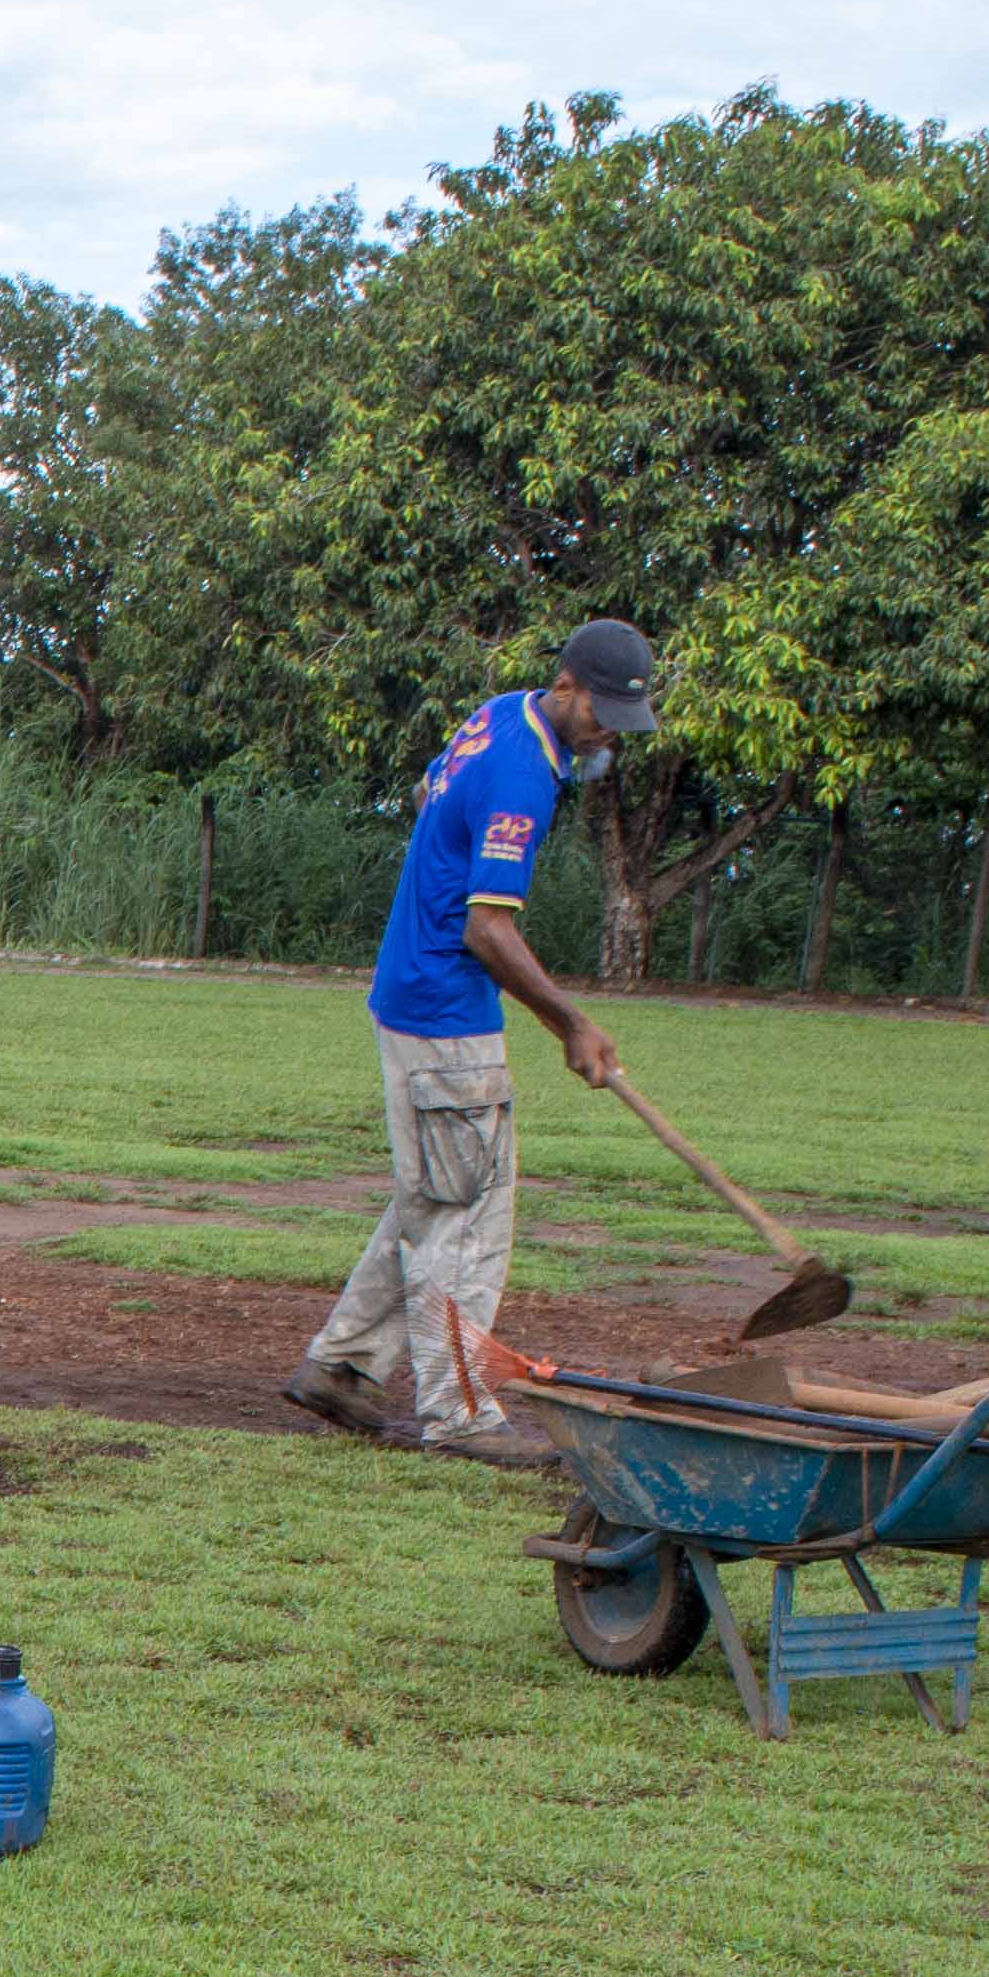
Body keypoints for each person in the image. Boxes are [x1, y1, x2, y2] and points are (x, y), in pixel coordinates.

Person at [292, 616, 659, 1452]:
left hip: (409, 990)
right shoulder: (525, 775)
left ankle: (343, 1365)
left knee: (433, 1196)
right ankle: (458, 1412)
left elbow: (429, 796)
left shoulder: (497, 713)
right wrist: (572, 1024)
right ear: (566, 685)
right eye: (602, 713)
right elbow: (486, 931)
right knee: (469, 1215)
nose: (610, 734)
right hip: (446, 1010)